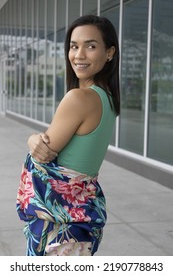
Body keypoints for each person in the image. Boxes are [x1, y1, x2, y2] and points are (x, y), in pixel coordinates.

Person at [16, 14, 120, 256]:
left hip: (60, 227)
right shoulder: (108, 100)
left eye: (90, 46)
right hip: (82, 222)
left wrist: (32, 138)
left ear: (109, 53)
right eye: (74, 46)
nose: (79, 55)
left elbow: (41, 155)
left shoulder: (78, 98)